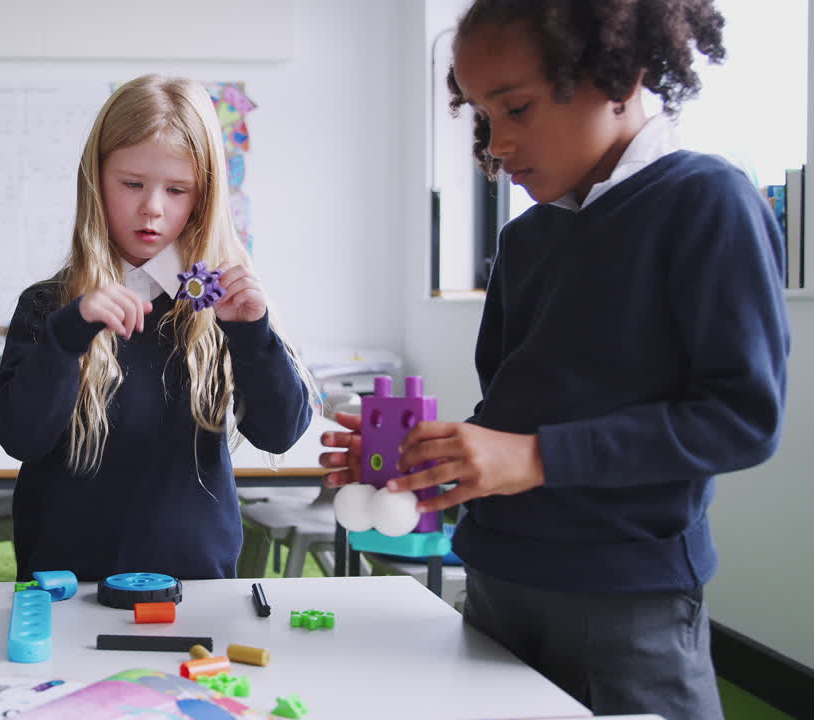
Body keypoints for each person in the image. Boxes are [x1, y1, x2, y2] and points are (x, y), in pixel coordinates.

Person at [320, 2, 789, 718]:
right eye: (483, 117)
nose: (497, 144)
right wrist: (425, 460)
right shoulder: (526, 239)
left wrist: (537, 457)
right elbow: (511, 419)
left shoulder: (706, 201)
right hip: (498, 578)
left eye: (515, 108)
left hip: (626, 601)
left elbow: (741, 420)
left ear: (619, 77)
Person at [0, 74, 316, 581]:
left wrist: (254, 336)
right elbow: (21, 438)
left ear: (203, 196)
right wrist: (69, 335)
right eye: (132, 184)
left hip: (195, 584)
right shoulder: (48, 306)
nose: (153, 208)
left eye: (177, 189)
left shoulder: (223, 305)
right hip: (67, 584)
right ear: (95, 181)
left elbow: (278, 434)